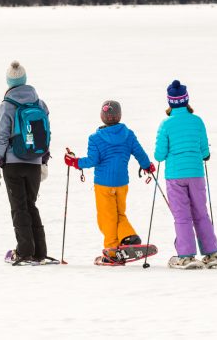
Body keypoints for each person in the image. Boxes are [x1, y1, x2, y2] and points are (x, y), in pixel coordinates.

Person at [64, 100, 155, 265]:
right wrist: (147, 166)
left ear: (102, 116)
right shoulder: (128, 134)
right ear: (119, 116)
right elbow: (140, 153)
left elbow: (93, 160)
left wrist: (74, 162)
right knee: (119, 214)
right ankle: (129, 237)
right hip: (122, 183)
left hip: (104, 184)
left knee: (107, 218)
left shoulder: (95, 138)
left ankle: (112, 252)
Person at [154, 80, 217, 269]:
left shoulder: (166, 124)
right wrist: (203, 154)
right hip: (196, 174)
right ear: (186, 100)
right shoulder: (197, 121)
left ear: (170, 102)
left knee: (182, 215)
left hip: (175, 176)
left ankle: (186, 256)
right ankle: (211, 253)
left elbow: (159, 155)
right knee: (201, 212)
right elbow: (204, 152)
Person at [0, 60, 51, 265]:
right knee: (31, 206)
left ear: (9, 81)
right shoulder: (39, 103)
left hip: (13, 163)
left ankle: (24, 251)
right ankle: (39, 252)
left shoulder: (7, 105)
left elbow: (2, 136)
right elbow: (47, 132)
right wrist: (43, 160)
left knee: (19, 208)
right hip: (34, 162)